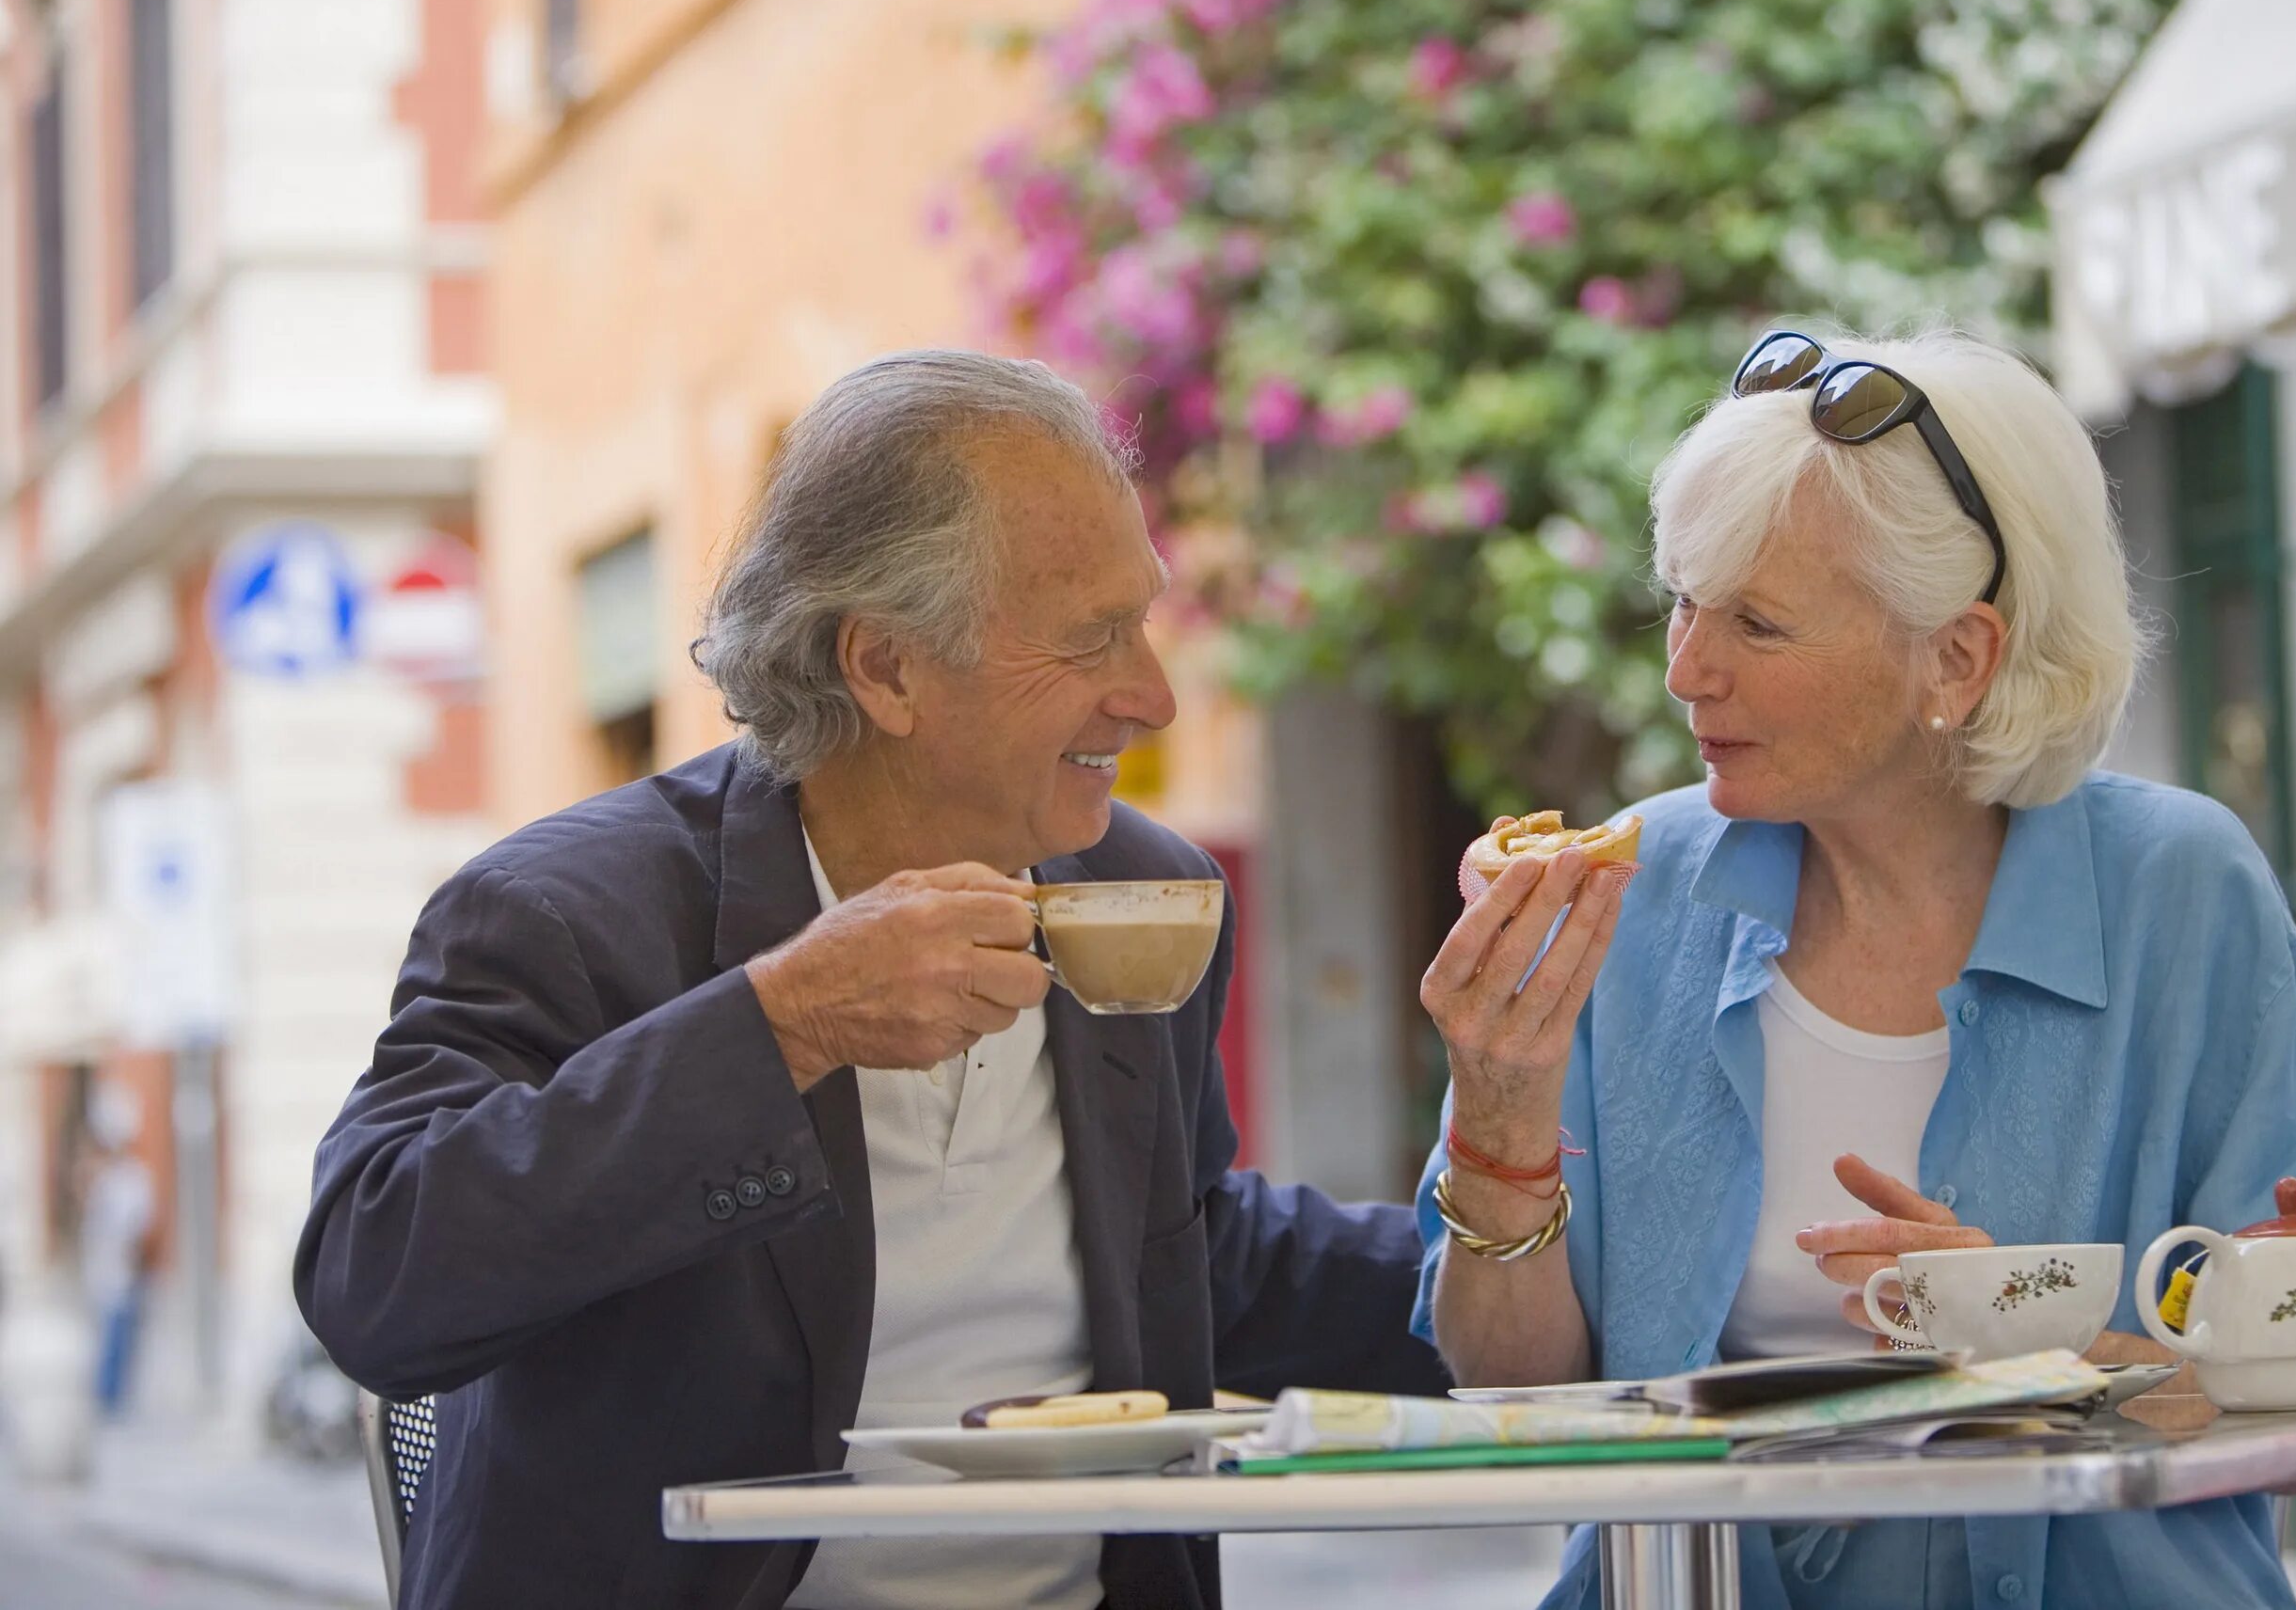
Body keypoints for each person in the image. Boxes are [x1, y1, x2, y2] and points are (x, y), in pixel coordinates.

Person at [297, 352, 1449, 1610]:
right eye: (1093, 637)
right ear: (887, 668)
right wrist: (783, 1021)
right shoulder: (568, 910)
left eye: (1144, 618)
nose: (1154, 696)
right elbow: (377, 1273)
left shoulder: (1136, 882)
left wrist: (1584, 1264)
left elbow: (1186, 1250)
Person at [1414, 325, 2296, 1609]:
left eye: (1757, 624)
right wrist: (1499, 1116)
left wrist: (2023, 1333)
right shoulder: (1632, 885)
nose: (1684, 669)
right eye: (1684, 603)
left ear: (1958, 657)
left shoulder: (2179, 888)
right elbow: (1511, 1386)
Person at [80, 1082, 154, 1418]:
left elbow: (136, 1230)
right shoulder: (106, 1178)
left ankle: (112, 1403)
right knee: (107, 1342)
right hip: (105, 1271)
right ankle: (107, 1402)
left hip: (121, 1272)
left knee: (117, 1343)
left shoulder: (131, 1179)